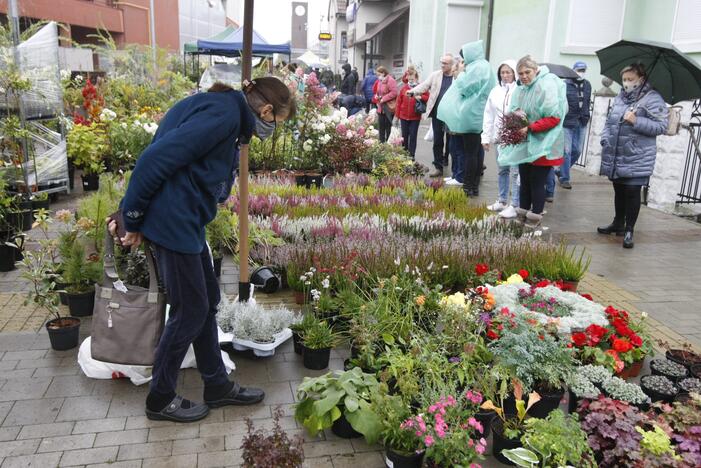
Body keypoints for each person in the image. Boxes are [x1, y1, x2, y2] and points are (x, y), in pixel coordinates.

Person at [111, 77, 296, 423]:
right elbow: (154, 159)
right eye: (275, 122)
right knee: (190, 310)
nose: (269, 130)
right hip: (172, 220)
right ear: (267, 109)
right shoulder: (223, 114)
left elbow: (165, 144)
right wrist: (131, 216)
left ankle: (216, 385)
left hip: (185, 219)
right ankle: (160, 398)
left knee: (206, 300)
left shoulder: (226, 111)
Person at [598, 63, 668, 248]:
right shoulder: (621, 97)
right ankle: (618, 223)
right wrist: (605, 139)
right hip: (617, 153)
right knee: (619, 190)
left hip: (637, 155)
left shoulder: (653, 98)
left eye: (630, 79)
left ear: (641, 79)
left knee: (632, 192)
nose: (626, 83)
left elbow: (661, 126)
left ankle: (629, 229)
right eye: (624, 79)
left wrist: (637, 120)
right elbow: (610, 121)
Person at [498, 56, 568, 228]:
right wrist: (516, 121)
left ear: (536, 70)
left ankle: (535, 215)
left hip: (544, 143)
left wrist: (529, 127)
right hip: (526, 143)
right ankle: (522, 211)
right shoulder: (522, 90)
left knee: (537, 181)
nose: (524, 76)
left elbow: (554, 117)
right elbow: (515, 110)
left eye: (527, 72)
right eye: (520, 73)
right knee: (525, 180)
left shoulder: (546, 86)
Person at [437, 40, 496, 196]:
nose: (463, 61)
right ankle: (473, 186)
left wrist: (462, 72)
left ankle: (468, 186)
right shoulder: (485, 66)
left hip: (471, 115)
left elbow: (465, 88)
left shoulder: (476, 67)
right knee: (475, 153)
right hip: (479, 114)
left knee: (470, 153)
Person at [482, 60, 519, 217]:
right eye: (502, 72)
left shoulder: (520, 90)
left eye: (508, 72)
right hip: (499, 137)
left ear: (514, 73)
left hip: (516, 137)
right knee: (502, 169)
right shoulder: (495, 91)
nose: (505, 75)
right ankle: (502, 200)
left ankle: (515, 204)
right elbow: (488, 115)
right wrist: (486, 137)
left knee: (516, 172)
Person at [408, 53, 455, 177]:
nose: (442, 65)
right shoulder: (435, 75)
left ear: (451, 64)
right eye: (441, 62)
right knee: (438, 141)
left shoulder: (457, 77)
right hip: (437, 113)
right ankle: (438, 167)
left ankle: (453, 167)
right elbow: (424, 86)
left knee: (452, 142)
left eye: (445, 63)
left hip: (452, 115)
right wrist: (412, 91)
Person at [558, 61, 592, 190]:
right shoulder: (565, 84)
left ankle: (560, 170)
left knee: (577, 150)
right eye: (579, 70)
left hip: (581, 121)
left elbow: (587, 101)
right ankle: (564, 178)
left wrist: (586, 115)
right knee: (566, 151)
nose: (581, 73)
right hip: (568, 121)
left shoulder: (587, 85)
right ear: (573, 70)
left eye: (583, 70)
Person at [395, 66, 428, 159]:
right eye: (408, 77)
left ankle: (411, 155)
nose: (410, 79)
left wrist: (420, 97)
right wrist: (397, 117)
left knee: (413, 136)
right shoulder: (404, 88)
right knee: (404, 136)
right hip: (403, 116)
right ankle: (404, 154)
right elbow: (398, 103)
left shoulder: (420, 87)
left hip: (415, 117)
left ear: (416, 77)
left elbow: (427, 97)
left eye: (412, 77)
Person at [374, 66, 398, 143]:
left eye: (379, 74)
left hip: (388, 108)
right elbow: (378, 92)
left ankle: (388, 145)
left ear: (383, 73)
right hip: (381, 108)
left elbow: (394, 92)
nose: (378, 76)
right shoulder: (380, 81)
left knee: (388, 128)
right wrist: (377, 96)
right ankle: (381, 145)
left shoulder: (391, 80)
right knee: (381, 128)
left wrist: (384, 98)